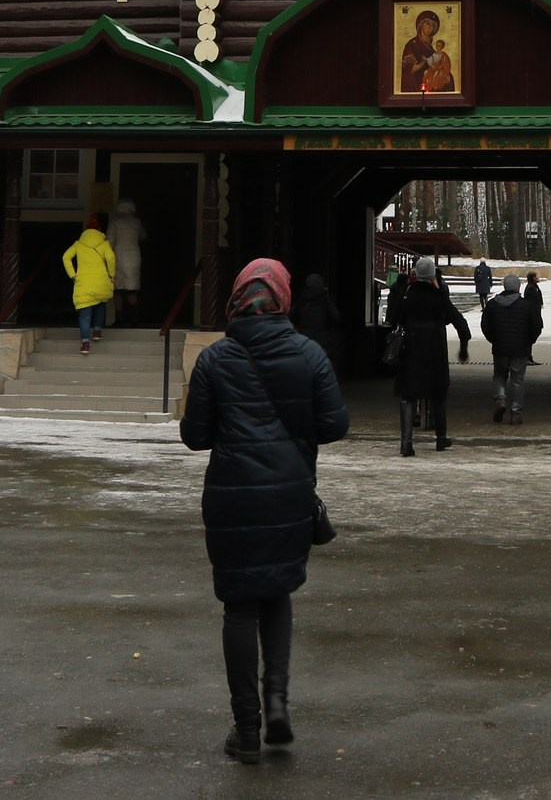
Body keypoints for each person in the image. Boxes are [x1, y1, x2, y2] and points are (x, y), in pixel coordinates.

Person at [180, 258, 348, 764]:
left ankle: (246, 730)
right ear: (282, 299)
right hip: (291, 494)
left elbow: (195, 436)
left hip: (232, 498)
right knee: (277, 594)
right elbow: (335, 425)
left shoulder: (214, 360)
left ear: (237, 299)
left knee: (239, 606)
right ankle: (277, 708)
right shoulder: (310, 355)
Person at [387, 255, 468, 455]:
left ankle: (406, 443)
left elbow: (393, 319)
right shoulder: (439, 297)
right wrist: (464, 345)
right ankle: (440, 439)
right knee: (438, 393)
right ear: (432, 274)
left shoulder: (407, 295)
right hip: (435, 347)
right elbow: (460, 323)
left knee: (408, 395)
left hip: (411, 348)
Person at [480, 271, 538, 424]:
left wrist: (493, 339)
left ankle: (500, 399)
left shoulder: (492, 304)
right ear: (518, 288)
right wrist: (529, 341)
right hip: (520, 349)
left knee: (499, 376)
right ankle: (516, 413)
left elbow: (485, 325)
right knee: (517, 380)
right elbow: (536, 326)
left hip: (500, 348)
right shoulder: (526, 305)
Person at [63, 218, 117, 354]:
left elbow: (66, 257)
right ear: (99, 230)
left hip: (84, 282)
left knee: (84, 315)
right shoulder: (104, 244)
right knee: (100, 303)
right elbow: (111, 258)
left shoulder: (78, 244)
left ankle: (85, 343)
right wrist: (111, 274)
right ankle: (97, 331)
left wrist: (73, 275)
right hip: (101, 280)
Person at [289, 272, 346, 376]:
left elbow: (291, 316)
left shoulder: (301, 300)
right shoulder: (326, 300)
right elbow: (336, 317)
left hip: (304, 340)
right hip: (324, 342)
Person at [107, 197, 145, 325]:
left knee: (118, 290)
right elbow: (143, 236)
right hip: (134, 258)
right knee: (132, 289)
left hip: (118, 257)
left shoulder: (115, 221)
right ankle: (135, 318)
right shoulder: (136, 222)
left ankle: (119, 318)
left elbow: (109, 241)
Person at [523, 272, 546, 363]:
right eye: (537, 276)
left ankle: (528, 356)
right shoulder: (530, 289)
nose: (538, 277)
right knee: (532, 334)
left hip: (536, 314)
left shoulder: (535, 287)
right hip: (533, 315)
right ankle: (527, 357)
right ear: (533, 278)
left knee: (536, 332)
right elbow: (531, 303)